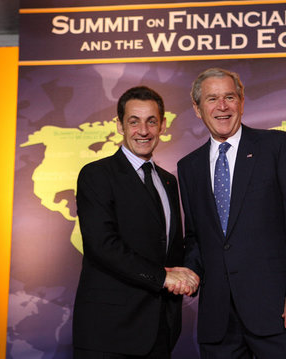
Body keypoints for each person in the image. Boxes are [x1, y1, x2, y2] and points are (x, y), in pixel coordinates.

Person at [177, 68, 286, 358]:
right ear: (197, 108)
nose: (222, 106)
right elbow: (195, 236)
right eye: (212, 99)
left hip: (280, 312)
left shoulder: (278, 146)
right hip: (219, 322)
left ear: (241, 101)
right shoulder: (188, 167)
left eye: (230, 97)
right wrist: (188, 272)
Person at [73, 86, 199, 359]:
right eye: (134, 121)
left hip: (160, 331)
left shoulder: (168, 181)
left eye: (151, 121)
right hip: (109, 333)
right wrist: (163, 276)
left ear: (163, 125)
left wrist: (191, 271)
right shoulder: (97, 175)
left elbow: (172, 248)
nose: (143, 130)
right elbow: (101, 246)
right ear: (119, 125)